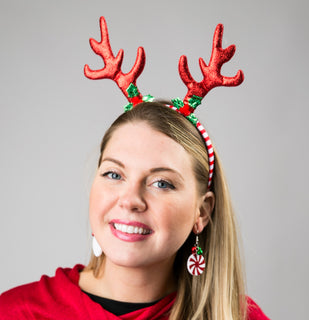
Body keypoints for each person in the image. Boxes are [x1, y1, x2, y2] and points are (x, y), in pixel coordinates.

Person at [0, 17, 269, 320]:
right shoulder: (16, 313)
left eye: (161, 183)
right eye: (114, 175)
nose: (129, 200)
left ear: (202, 212)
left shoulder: (237, 316)